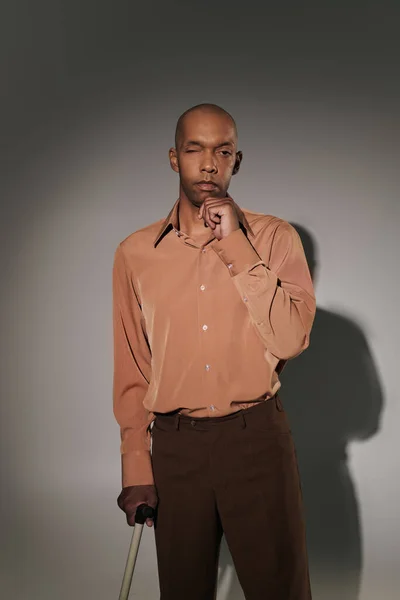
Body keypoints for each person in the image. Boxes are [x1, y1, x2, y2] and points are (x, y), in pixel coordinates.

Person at [112, 103, 316, 599]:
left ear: (236, 162)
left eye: (222, 151)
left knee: (279, 591)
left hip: (257, 440)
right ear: (173, 158)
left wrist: (237, 247)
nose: (208, 164)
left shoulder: (274, 238)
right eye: (194, 149)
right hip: (177, 450)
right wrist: (137, 466)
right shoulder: (135, 254)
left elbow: (292, 339)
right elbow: (133, 367)